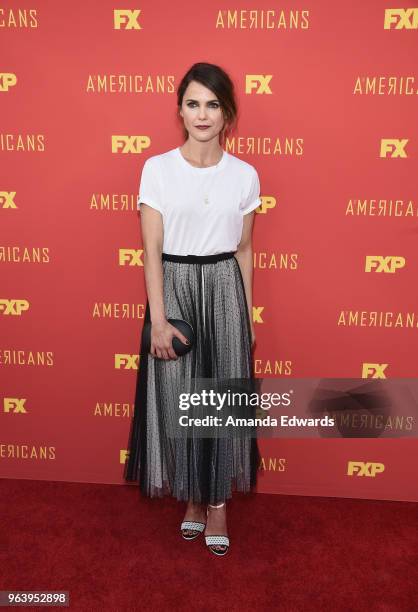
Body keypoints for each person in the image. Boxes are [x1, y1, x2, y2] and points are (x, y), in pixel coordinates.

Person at [124, 62, 261, 556]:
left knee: (222, 404)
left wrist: (244, 318)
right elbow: (151, 249)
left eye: (213, 104)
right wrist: (158, 319)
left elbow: (244, 249)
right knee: (181, 402)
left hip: (225, 290)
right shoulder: (157, 169)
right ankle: (193, 500)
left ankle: (218, 501)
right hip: (176, 289)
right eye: (192, 103)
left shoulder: (245, 175)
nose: (202, 114)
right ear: (180, 109)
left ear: (227, 113)